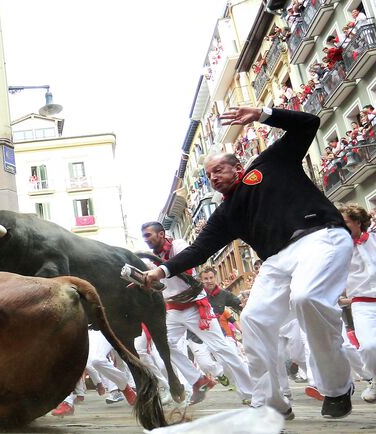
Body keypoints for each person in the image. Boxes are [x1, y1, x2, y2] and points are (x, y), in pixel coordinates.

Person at [143, 106, 354, 420]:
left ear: (237, 166)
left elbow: (309, 123)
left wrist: (262, 114)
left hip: (321, 236)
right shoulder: (227, 213)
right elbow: (198, 250)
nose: (213, 178)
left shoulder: (271, 162)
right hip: (276, 261)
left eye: (218, 171)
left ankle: (337, 389)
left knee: (306, 297)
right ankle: (274, 403)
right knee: (255, 320)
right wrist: (161, 269)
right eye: (209, 175)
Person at [141, 222, 253, 405]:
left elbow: (187, 261)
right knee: (163, 345)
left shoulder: (178, 246)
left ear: (161, 234)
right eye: (144, 236)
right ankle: (198, 380)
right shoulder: (154, 258)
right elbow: (161, 284)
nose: (145, 240)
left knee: (223, 350)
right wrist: (143, 279)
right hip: (174, 310)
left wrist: (158, 271)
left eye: (148, 235)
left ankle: (250, 394)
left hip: (196, 307)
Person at [338, 203, 376, 403]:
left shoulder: (374, 237)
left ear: (357, 222)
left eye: (345, 222)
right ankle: (375, 379)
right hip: (362, 303)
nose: (341, 227)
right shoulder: (340, 249)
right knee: (369, 346)